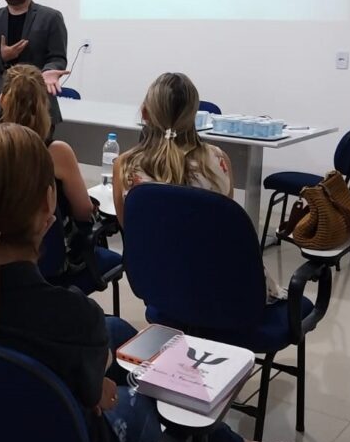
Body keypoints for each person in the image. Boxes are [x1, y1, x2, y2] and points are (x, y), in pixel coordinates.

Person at [0, 123, 295, 442]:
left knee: (119, 333)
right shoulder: (69, 318)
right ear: (48, 204)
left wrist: (86, 385)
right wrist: (88, 392)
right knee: (139, 398)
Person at [112, 72, 286, 302]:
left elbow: (130, 228)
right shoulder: (219, 159)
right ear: (195, 115)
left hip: (160, 285)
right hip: (226, 289)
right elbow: (222, 222)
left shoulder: (125, 166)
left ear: (144, 114)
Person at [0, 64, 96, 275]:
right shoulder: (57, 153)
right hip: (47, 264)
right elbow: (84, 211)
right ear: (45, 105)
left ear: (1, 101)